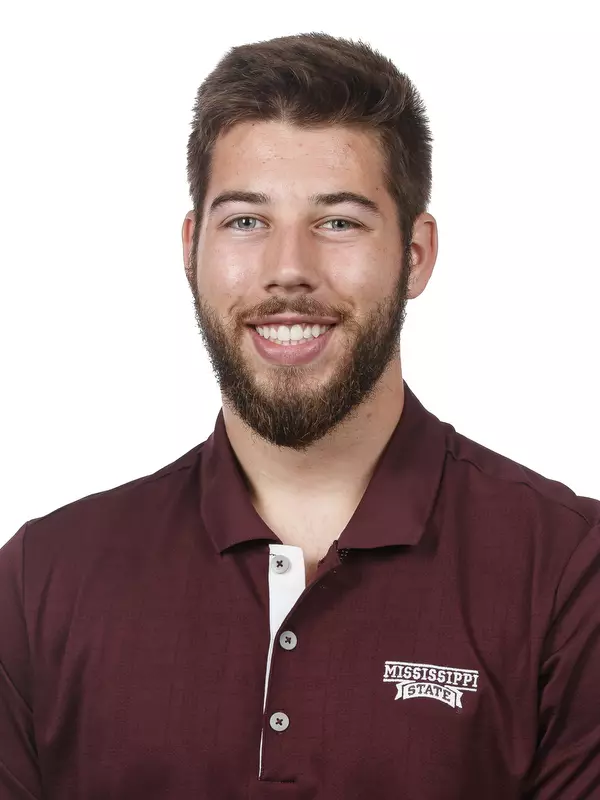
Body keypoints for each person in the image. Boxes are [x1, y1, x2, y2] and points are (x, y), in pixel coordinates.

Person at [1, 31, 599, 800]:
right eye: (247, 221)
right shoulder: (42, 581)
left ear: (414, 255)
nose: (289, 269)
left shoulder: (567, 576)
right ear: (193, 249)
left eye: (339, 222)